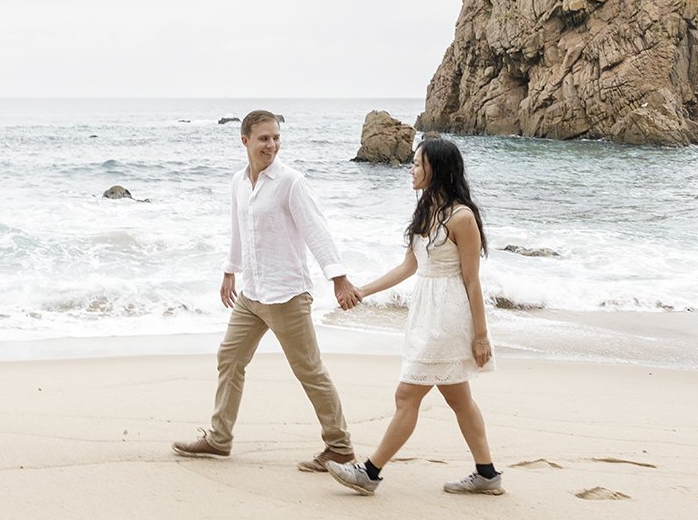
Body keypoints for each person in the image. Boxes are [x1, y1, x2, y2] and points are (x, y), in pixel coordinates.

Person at [172, 110, 362, 472]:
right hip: (252, 294)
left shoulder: (291, 182)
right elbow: (239, 229)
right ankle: (219, 438)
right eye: (263, 138)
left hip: (287, 294)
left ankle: (339, 447)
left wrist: (338, 277)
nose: (271, 145)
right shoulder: (239, 183)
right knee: (230, 358)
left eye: (275, 137)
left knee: (309, 371)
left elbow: (316, 231)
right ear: (244, 141)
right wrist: (230, 271)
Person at [326, 137, 502, 495]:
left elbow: (471, 280)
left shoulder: (461, 217)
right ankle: (487, 474)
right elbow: (410, 265)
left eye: (418, 163)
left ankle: (369, 473)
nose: (412, 169)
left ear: (435, 169)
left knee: (407, 395)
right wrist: (364, 291)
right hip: (426, 312)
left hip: (448, 317)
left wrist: (481, 336)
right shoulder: (426, 211)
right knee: (459, 400)